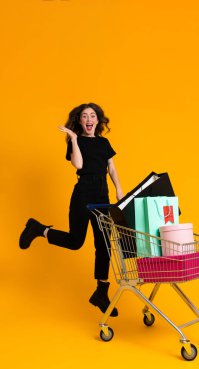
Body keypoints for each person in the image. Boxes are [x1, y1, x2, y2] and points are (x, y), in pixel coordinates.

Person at [19, 103, 124, 317]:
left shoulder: (104, 143)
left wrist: (119, 190)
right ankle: (38, 229)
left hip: (102, 197)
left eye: (92, 115)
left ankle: (101, 293)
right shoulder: (75, 142)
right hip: (83, 194)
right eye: (84, 116)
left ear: (98, 120)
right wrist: (74, 140)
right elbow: (78, 165)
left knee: (104, 245)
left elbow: (111, 167)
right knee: (76, 242)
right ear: (79, 121)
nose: (88, 119)